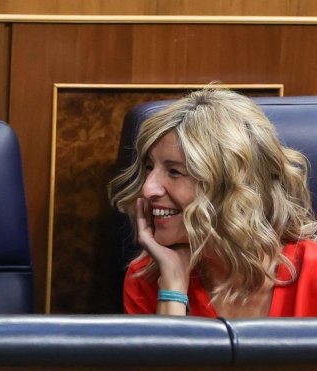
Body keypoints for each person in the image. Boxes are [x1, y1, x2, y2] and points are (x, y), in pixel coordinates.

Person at [109, 88, 317, 318]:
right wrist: (173, 288)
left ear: (233, 186)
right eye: (149, 168)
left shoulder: (313, 272)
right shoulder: (147, 280)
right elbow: (168, 354)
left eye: (175, 171)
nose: (148, 189)